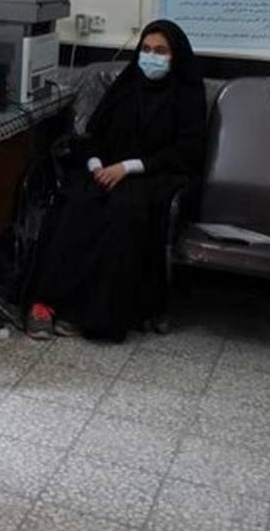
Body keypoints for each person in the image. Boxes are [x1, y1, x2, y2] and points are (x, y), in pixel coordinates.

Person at [26, 20, 207, 342]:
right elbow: (95, 135)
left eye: (161, 51)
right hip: (106, 168)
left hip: (155, 174)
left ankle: (92, 315)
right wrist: (97, 165)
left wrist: (127, 167)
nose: (151, 57)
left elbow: (186, 151)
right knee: (76, 203)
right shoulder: (126, 86)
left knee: (123, 212)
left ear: (175, 56)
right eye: (146, 49)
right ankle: (47, 303)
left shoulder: (187, 94)